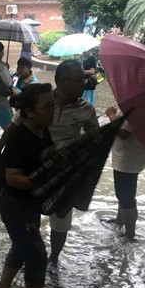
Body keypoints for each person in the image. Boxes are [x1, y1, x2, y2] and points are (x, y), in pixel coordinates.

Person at [0, 83, 70, 288]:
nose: (52, 110)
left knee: (22, 245)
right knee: (37, 256)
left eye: (53, 104)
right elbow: (12, 177)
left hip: (29, 205)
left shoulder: (42, 131)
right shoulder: (20, 139)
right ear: (27, 112)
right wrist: (46, 181)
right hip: (15, 205)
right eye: (46, 106)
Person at [48, 60, 99, 267]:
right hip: (35, 170)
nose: (84, 84)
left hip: (65, 173)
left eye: (84, 79)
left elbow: (94, 140)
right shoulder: (41, 101)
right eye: (79, 80)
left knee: (60, 222)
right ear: (61, 82)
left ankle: (53, 259)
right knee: (27, 218)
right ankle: (28, 255)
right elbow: (17, 126)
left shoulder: (87, 110)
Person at [104, 105, 145, 240]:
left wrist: (111, 115)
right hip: (128, 155)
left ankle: (130, 234)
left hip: (128, 158)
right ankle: (120, 220)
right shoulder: (137, 106)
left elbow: (124, 133)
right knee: (123, 193)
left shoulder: (135, 108)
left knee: (126, 196)